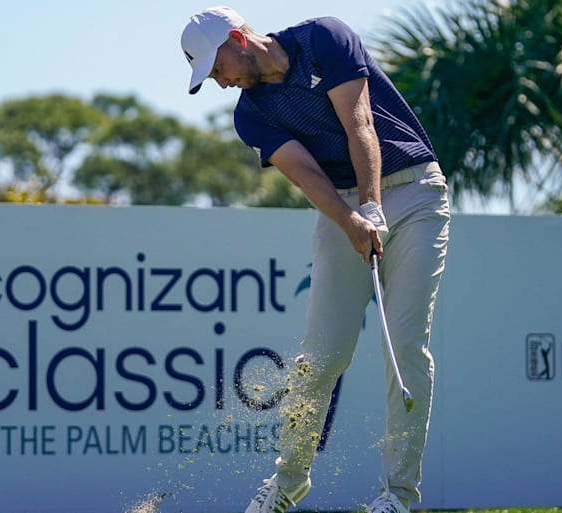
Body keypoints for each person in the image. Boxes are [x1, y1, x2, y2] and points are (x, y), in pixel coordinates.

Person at [180, 7, 450, 513]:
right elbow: (308, 177)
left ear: (239, 38)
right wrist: (353, 220)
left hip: (415, 192)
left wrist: (371, 206)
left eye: (218, 68)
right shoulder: (250, 113)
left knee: (406, 346)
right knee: (318, 359)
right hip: (339, 205)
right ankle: (289, 482)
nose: (220, 82)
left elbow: (359, 123)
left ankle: (398, 497)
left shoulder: (325, 38)